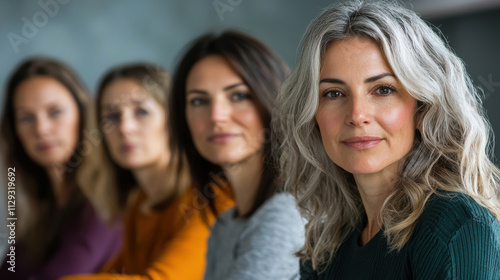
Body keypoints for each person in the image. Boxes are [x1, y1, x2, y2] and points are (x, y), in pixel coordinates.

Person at [273, 1, 500, 279]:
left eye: (383, 90)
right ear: (312, 114)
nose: (357, 115)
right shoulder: (326, 243)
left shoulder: (455, 226)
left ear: (423, 107)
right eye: (333, 93)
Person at [62, 63, 233, 280]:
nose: (125, 127)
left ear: (174, 121)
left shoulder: (212, 197)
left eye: (141, 111)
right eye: (112, 117)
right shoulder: (141, 206)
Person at [169, 30, 304, 280]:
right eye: (199, 101)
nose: (216, 116)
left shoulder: (285, 213)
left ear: (273, 101)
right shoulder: (224, 225)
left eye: (239, 96)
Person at [0, 58, 123, 279]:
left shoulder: (103, 205)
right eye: (26, 117)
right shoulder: (42, 215)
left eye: (55, 112)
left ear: (83, 114)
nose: (41, 129)